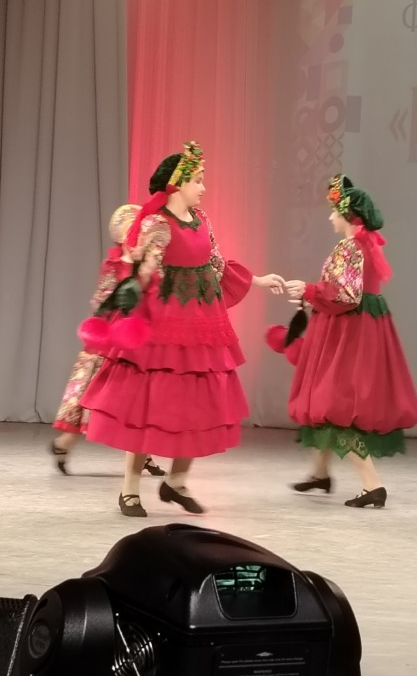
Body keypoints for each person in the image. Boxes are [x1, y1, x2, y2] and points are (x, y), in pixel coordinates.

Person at [81, 141, 286, 517]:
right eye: (198, 180)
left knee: (198, 401)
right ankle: (130, 490)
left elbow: (217, 265)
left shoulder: (201, 219)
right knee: (147, 404)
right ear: (177, 184)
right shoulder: (157, 224)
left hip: (201, 322)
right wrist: (128, 291)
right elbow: (144, 270)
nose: (204, 187)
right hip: (164, 323)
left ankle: (176, 482)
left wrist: (258, 280)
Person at [273, 174, 417, 508]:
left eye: (334, 212)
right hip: (362, 328)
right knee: (331, 399)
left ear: (348, 215)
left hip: (348, 332)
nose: (330, 218)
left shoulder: (350, 246)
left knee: (334, 405)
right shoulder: (367, 244)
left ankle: (372, 485)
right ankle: (320, 473)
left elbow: (345, 295)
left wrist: (308, 289)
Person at [49, 203, 164, 478]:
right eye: (134, 231)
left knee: (139, 397)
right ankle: (64, 442)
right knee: (90, 394)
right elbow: (101, 300)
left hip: (141, 339)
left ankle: (144, 454)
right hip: (113, 338)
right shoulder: (113, 265)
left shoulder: (149, 266)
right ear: (123, 234)